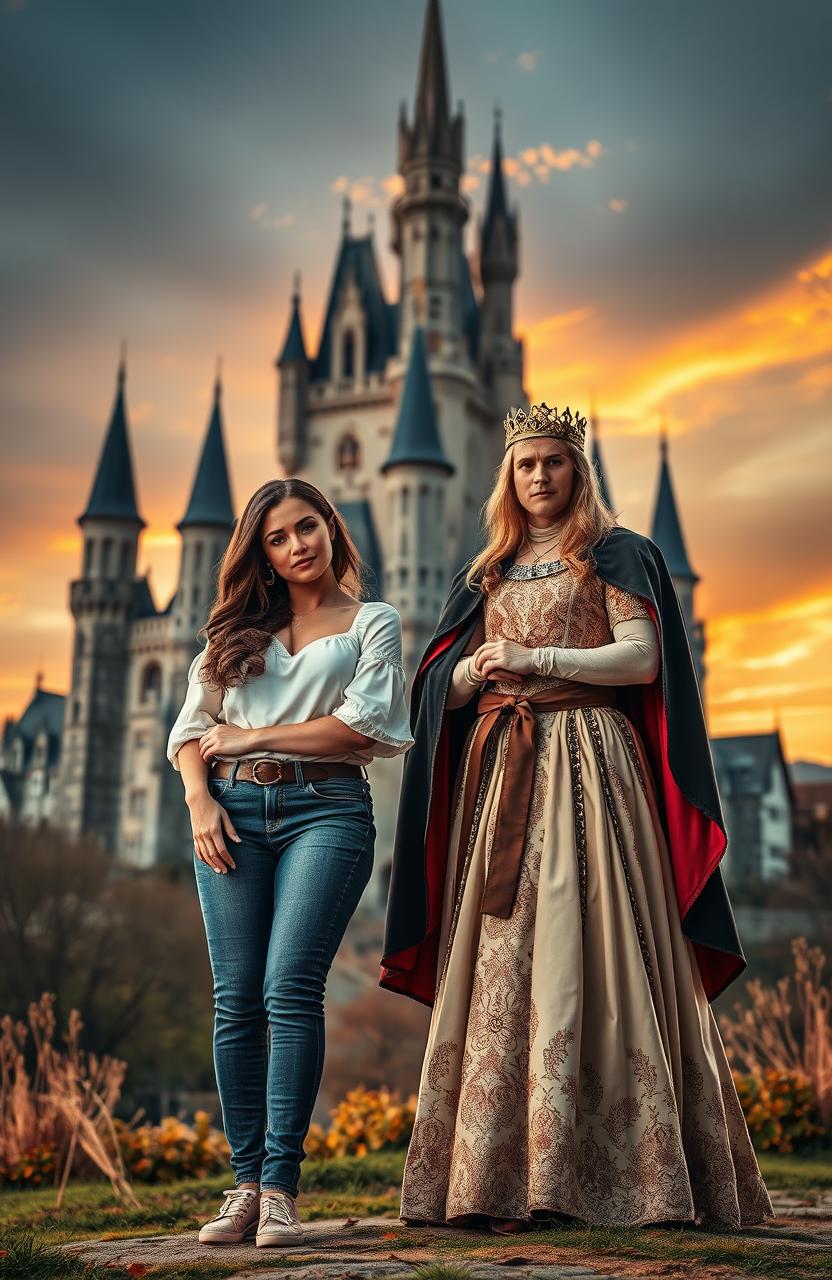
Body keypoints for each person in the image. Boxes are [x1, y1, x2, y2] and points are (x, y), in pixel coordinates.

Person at [381, 403, 773, 1231]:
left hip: (594, 764)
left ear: (577, 470)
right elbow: (438, 686)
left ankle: (631, 1173)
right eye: (525, 464)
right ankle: (492, 1177)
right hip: (502, 775)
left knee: (600, 941)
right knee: (502, 954)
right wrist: (467, 678)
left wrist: (537, 658)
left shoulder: (617, 555)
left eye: (553, 462)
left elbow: (643, 658)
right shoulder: (484, 572)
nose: (539, 477)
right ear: (508, 477)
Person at [167, 477, 413, 1248]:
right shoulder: (232, 635)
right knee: (235, 999)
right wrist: (201, 802)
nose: (297, 545)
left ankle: (280, 1188)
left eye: (308, 527)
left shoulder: (375, 621)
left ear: (331, 529)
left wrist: (248, 740)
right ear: (263, 555)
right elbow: (188, 731)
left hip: (329, 811)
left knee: (288, 988)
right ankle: (243, 1188)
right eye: (277, 538)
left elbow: (360, 730)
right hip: (230, 815)